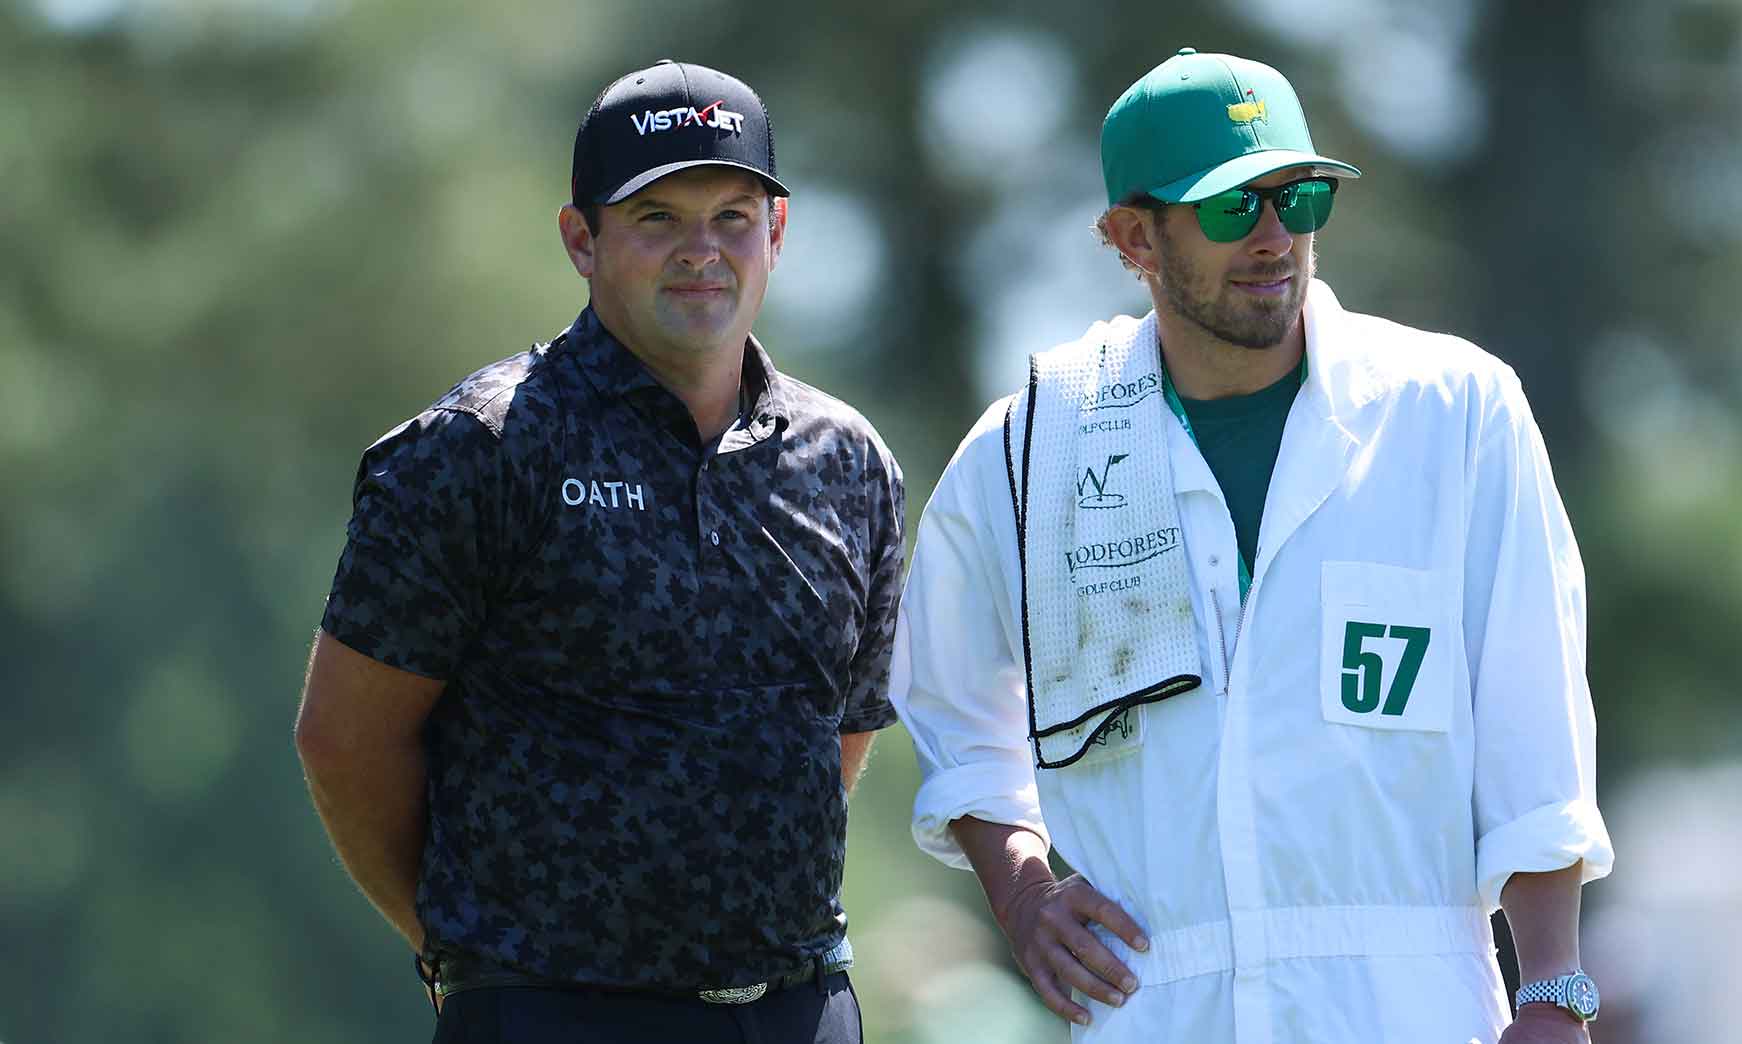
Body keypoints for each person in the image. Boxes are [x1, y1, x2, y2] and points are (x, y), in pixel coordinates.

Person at [889, 48, 1614, 1043]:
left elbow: (1531, 718)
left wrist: (1553, 990)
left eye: (1297, 198)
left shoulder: (1451, 409)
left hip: (1412, 1009)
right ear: (1129, 236)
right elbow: (949, 707)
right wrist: (1019, 893)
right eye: (1231, 208)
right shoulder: (1031, 445)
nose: (1274, 237)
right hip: (1154, 1010)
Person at [294, 59, 904, 1043]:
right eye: (656, 217)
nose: (700, 250)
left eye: (732, 217)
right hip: (547, 1011)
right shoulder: (481, 447)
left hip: (798, 1010)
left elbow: (833, 740)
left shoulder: (846, 461)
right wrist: (468, 949)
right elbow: (345, 739)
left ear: (777, 234)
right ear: (582, 239)